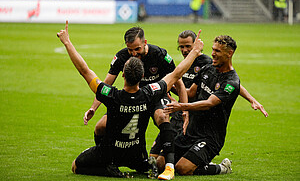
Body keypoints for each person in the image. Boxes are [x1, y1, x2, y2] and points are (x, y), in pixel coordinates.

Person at [57, 20, 203, 179]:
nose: (134, 53)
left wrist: (67, 42)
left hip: (113, 150)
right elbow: (176, 74)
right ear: (142, 76)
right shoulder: (149, 92)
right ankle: (157, 165)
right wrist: (195, 52)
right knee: (103, 129)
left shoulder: (112, 96)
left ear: (123, 74)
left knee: (76, 166)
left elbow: (85, 71)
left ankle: (108, 165)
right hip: (136, 154)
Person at [149, 30, 268, 171]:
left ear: (229, 54)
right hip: (191, 129)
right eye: (213, 49)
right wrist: (163, 86)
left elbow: (209, 103)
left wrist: (181, 106)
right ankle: (197, 160)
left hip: (210, 136)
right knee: (160, 163)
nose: (212, 53)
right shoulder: (208, 68)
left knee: (183, 168)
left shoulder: (231, 82)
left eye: (217, 51)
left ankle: (222, 168)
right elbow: (191, 92)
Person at [84, 26, 188, 180]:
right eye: (130, 50)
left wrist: (184, 108)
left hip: (155, 97)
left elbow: (178, 82)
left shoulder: (160, 55)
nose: (133, 53)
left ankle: (169, 167)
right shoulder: (121, 57)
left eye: (137, 49)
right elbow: (107, 83)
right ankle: (107, 161)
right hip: (131, 98)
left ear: (144, 42)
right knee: (100, 127)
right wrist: (93, 107)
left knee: (162, 116)